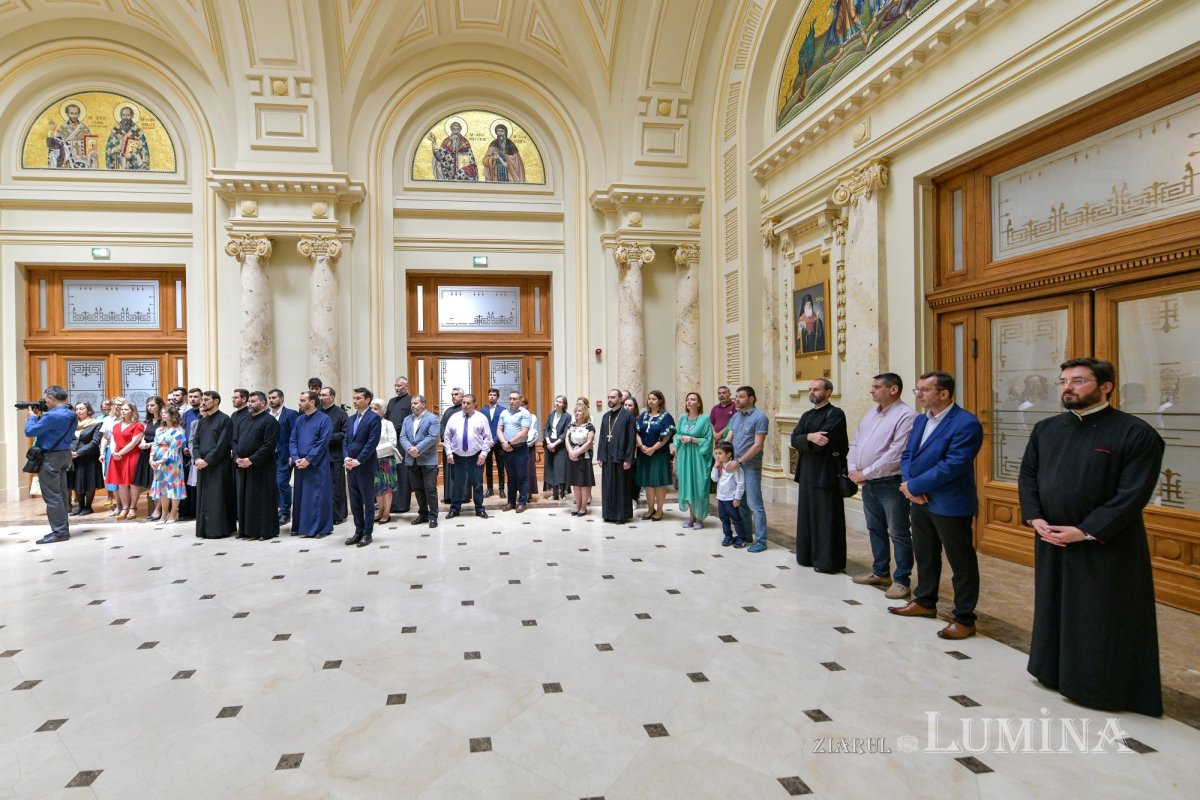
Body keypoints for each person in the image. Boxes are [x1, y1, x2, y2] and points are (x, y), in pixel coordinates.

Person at [1019, 358, 1166, 716]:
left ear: (1106, 386)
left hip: (1104, 543)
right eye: (1063, 381)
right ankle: (1050, 671)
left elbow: (1132, 495)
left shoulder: (1135, 433)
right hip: (1051, 536)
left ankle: (1095, 687)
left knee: (1100, 616)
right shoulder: (1046, 428)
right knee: (1053, 606)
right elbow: (1028, 475)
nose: (1067, 387)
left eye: (1079, 381)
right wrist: (1035, 517)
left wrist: (1084, 531)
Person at [890, 371, 984, 640]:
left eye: (924, 390)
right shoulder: (920, 420)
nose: (918, 394)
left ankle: (965, 618)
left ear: (944, 393)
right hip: (919, 500)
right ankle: (925, 602)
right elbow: (907, 454)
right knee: (925, 553)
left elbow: (953, 465)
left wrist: (916, 486)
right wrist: (909, 486)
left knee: (960, 561)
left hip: (950, 503)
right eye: (917, 389)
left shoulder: (966, 423)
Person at [848, 373, 917, 600]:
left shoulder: (906, 415)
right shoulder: (871, 414)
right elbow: (856, 442)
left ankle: (901, 580)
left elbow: (896, 454)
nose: (872, 390)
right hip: (869, 483)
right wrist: (852, 468)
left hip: (890, 483)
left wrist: (863, 472)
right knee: (875, 528)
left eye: (877, 387)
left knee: (898, 532)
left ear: (893, 389)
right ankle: (880, 572)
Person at [791, 379, 849, 573]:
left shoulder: (836, 414)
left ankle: (827, 561)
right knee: (807, 516)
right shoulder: (807, 415)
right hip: (807, 472)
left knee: (826, 518)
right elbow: (795, 438)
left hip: (827, 472)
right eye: (810, 389)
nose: (812, 392)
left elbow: (822, 442)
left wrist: (807, 439)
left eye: (816, 389)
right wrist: (808, 436)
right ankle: (807, 556)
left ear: (829, 392)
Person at [24, 385, 77, 545]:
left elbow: (30, 431)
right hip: (64, 455)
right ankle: (63, 528)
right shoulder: (71, 413)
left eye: (46, 399)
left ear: (52, 398)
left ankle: (59, 532)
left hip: (51, 458)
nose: (45, 402)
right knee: (60, 493)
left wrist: (32, 417)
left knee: (52, 496)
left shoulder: (52, 416)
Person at [723, 386, 769, 552]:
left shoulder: (760, 417)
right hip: (735, 466)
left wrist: (739, 460)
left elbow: (758, 445)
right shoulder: (735, 417)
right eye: (736, 397)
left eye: (741, 397)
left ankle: (762, 541)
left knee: (755, 504)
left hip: (750, 466)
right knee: (741, 503)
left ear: (752, 399)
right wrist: (721, 455)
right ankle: (746, 535)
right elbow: (729, 438)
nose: (737, 400)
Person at [233, 391, 280, 541]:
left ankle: (263, 531)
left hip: (261, 467)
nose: (249, 404)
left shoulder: (269, 421)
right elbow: (235, 440)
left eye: (253, 401)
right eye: (249, 401)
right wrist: (237, 457)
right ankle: (246, 530)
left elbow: (269, 445)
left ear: (263, 403)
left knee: (260, 499)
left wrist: (252, 459)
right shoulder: (244, 420)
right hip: (243, 466)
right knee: (244, 499)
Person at [193, 391, 236, 540]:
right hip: (202, 465)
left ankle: (219, 529)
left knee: (217, 497)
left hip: (218, 465)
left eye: (206, 400)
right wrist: (197, 458)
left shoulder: (225, 420)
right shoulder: (202, 421)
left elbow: (222, 445)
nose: (202, 402)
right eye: (202, 400)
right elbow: (195, 442)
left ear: (216, 401)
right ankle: (204, 529)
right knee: (203, 498)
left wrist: (207, 460)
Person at [443, 393, 493, 519]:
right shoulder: (454, 417)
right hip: (457, 457)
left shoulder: (481, 418)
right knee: (457, 484)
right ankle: (455, 509)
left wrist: (483, 453)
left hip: (475, 456)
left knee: (477, 484)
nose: (465, 405)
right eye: (463, 403)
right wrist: (448, 452)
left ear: (475, 404)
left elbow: (488, 438)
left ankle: (479, 509)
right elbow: (447, 436)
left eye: (468, 403)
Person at [291, 390, 334, 538]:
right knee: (301, 497)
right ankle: (301, 527)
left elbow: (322, 443)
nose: (299, 403)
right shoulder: (299, 420)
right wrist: (296, 457)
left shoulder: (324, 419)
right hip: (300, 465)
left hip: (316, 465)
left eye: (302, 400)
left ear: (312, 402)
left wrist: (309, 459)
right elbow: (293, 440)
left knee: (317, 497)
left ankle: (320, 529)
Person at [343, 388, 382, 547]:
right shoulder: (351, 419)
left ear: (367, 400)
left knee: (367, 500)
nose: (355, 401)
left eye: (358, 398)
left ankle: (367, 533)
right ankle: (358, 531)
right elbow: (345, 440)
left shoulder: (374, 418)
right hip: (350, 466)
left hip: (364, 465)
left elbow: (372, 442)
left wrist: (358, 460)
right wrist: (346, 457)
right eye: (353, 398)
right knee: (355, 501)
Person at [400, 394, 441, 528]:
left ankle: (433, 516)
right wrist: (410, 449)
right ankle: (423, 513)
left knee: (430, 488)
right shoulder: (407, 419)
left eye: (416, 403)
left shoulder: (433, 418)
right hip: (411, 459)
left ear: (423, 404)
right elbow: (402, 437)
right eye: (412, 404)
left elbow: (432, 437)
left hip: (428, 460)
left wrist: (417, 449)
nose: (413, 406)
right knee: (418, 489)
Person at [675, 392, 713, 530]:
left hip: (698, 457)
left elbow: (709, 440)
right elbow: (677, 434)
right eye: (688, 399)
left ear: (699, 403)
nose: (689, 402)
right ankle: (691, 517)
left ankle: (700, 518)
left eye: (693, 399)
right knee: (687, 486)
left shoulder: (704, 419)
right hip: (685, 456)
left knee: (699, 486)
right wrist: (680, 439)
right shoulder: (683, 418)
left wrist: (693, 439)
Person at [597, 389, 636, 523]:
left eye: (613, 397)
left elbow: (631, 439)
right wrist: (600, 456)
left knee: (621, 487)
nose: (610, 400)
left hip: (621, 457)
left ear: (620, 399)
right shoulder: (605, 416)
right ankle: (608, 514)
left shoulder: (628, 416)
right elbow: (602, 437)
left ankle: (621, 515)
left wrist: (628, 459)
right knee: (608, 486)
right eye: (608, 397)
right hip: (607, 457)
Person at [636, 390, 676, 521]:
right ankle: (650, 509)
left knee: (658, 483)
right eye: (649, 399)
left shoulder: (666, 416)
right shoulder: (643, 416)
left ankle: (659, 510)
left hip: (659, 454)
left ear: (660, 401)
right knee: (648, 483)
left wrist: (653, 448)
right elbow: (636, 432)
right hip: (644, 453)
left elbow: (667, 436)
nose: (651, 401)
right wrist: (641, 446)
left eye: (653, 399)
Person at [105, 401, 145, 520]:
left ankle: (133, 508)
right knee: (121, 483)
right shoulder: (116, 425)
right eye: (122, 409)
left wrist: (120, 453)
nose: (123, 411)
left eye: (126, 409)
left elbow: (134, 442)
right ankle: (124, 508)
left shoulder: (138, 425)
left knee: (132, 483)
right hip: (117, 455)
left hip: (131, 455)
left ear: (133, 411)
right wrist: (113, 453)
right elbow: (112, 440)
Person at [149, 405, 186, 524]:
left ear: (172, 415)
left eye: (165, 413)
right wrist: (151, 458)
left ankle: (174, 512)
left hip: (172, 462)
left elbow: (174, 448)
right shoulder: (159, 430)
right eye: (162, 413)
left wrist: (161, 461)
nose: (163, 415)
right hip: (158, 461)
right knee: (162, 487)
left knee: (173, 486)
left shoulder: (178, 430)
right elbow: (154, 444)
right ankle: (164, 513)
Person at [497, 390, 533, 512]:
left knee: (522, 476)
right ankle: (510, 502)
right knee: (511, 476)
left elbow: (524, 432)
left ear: (520, 400)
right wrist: (503, 443)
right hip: (507, 449)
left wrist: (509, 443)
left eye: (514, 399)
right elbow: (499, 429)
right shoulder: (504, 413)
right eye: (510, 398)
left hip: (520, 449)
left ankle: (522, 502)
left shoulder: (525, 413)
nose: (511, 401)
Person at [267, 389, 298, 525]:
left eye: (274, 397)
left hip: (284, 455)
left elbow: (295, 435)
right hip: (268, 456)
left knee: (281, 483)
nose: (271, 400)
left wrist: (293, 454)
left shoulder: (290, 414)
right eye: (269, 398)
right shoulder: (266, 415)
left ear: (281, 398)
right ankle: (277, 511)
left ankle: (285, 512)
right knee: (272, 484)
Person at [319, 386, 349, 525]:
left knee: (336, 486)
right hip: (319, 456)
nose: (321, 398)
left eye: (324, 395)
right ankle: (324, 513)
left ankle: (339, 515)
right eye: (320, 395)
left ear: (332, 397)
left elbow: (345, 433)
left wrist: (326, 437)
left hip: (335, 455)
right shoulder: (318, 412)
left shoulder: (341, 413)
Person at [384, 376, 413, 514]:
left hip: (403, 441)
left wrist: (394, 428)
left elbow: (409, 421)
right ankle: (391, 504)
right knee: (391, 472)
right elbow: (387, 419)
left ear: (406, 386)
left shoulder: (411, 401)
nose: (397, 388)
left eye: (399, 385)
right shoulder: (391, 402)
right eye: (395, 385)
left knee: (402, 473)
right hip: (391, 442)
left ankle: (402, 504)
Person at [69, 402, 104, 517]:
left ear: (88, 410)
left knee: (89, 482)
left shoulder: (96, 423)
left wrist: (79, 453)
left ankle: (88, 507)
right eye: (77, 409)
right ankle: (80, 507)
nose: (79, 411)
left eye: (82, 408)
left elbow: (94, 442)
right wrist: (71, 451)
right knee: (76, 482)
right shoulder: (73, 424)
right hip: (73, 456)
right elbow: (69, 440)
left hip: (89, 456)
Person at [711, 442, 749, 548]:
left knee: (736, 518)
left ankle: (741, 538)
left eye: (720, 453)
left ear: (728, 454)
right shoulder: (719, 466)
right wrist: (715, 466)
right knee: (724, 518)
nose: (717, 456)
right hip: (721, 498)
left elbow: (740, 483)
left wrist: (737, 498)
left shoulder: (734, 467)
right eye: (716, 453)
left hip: (731, 498)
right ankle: (728, 536)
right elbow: (714, 478)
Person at [132, 396, 163, 519]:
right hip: (146, 454)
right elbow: (146, 435)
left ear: (160, 406)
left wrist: (149, 444)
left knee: (157, 483)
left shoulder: (163, 421)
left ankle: (158, 510)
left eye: (152, 405)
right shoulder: (149, 421)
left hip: (158, 453)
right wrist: (143, 442)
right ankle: (155, 509)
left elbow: (163, 439)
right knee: (150, 483)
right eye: (148, 405)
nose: (149, 408)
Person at [369, 398, 399, 525]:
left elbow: (392, 443)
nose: (372, 411)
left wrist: (373, 450)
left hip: (386, 460)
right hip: (372, 460)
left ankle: (386, 513)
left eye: (375, 409)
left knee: (387, 488)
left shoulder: (388, 424)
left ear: (382, 411)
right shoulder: (368, 423)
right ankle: (380, 512)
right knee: (377, 487)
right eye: (371, 408)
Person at [566, 398, 596, 516]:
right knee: (575, 484)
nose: (577, 413)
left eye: (579, 411)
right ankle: (577, 506)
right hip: (572, 457)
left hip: (584, 457)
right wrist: (570, 452)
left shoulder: (589, 426)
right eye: (576, 411)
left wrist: (577, 452)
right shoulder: (571, 425)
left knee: (583, 484)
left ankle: (583, 507)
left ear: (585, 413)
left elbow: (589, 442)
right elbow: (567, 439)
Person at [179, 387, 202, 519]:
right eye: (191, 397)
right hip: (187, 453)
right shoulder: (186, 414)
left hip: (199, 454)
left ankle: (198, 510)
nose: (193, 399)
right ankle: (188, 510)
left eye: (196, 397)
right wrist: (184, 447)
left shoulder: (204, 413)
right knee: (189, 483)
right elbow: (182, 432)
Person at [105, 103, 150, 170]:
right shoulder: (115, 131)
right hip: (119, 165)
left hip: (134, 166)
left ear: (132, 116)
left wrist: (132, 154)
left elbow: (144, 151)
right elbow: (108, 150)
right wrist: (115, 149)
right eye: (123, 115)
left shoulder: (137, 131)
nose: (125, 118)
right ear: (120, 116)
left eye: (128, 115)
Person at [542, 394, 570, 501]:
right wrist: (549, 443)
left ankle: (562, 494)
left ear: (564, 405)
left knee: (560, 469)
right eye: (556, 401)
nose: (557, 403)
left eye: (560, 402)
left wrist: (555, 444)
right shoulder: (551, 415)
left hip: (560, 445)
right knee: (551, 469)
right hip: (549, 443)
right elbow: (546, 429)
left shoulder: (567, 416)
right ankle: (554, 494)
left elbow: (565, 433)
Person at [440, 387, 464, 504]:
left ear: (462, 396)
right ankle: (449, 496)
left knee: (461, 471)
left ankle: (462, 496)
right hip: (448, 446)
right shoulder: (448, 411)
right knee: (448, 472)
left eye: (456, 394)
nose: (453, 396)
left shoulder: (465, 410)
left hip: (461, 447)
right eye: (452, 394)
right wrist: (444, 437)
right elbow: (442, 425)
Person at [481, 387, 505, 498]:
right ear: (488, 396)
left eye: (494, 395)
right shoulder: (483, 410)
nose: (492, 397)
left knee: (501, 466)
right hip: (486, 443)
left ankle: (501, 489)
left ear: (497, 397)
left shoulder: (503, 410)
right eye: (490, 395)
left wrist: (495, 440)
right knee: (488, 467)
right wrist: (487, 440)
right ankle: (489, 489)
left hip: (499, 443)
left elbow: (503, 427)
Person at [622, 394, 641, 507]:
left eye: (630, 405)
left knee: (634, 477)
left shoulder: (638, 419)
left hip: (635, 452)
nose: (627, 407)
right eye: (625, 405)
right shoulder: (620, 418)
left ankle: (634, 498)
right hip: (623, 451)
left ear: (635, 407)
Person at [523, 396, 541, 503]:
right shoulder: (515, 415)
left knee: (529, 471)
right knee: (520, 471)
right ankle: (522, 493)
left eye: (524, 404)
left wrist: (529, 443)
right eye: (521, 404)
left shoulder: (533, 417)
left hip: (529, 446)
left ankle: (529, 493)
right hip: (517, 446)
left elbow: (534, 432)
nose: (522, 406)